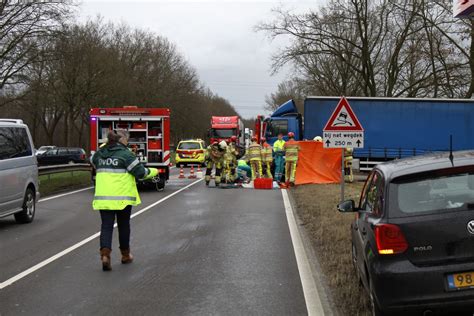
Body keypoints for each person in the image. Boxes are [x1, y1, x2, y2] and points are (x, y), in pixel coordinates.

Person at [91, 129, 158, 271]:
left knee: (106, 226)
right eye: (127, 140)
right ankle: (125, 255)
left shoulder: (100, 154)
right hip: (122, 198)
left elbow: (92, 161)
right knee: (123, 226)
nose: (128, 143)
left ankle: (105, 255)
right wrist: (154, 171)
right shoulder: (126, 155)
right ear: (122, 140)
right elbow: (140, 173)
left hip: (104, 198)